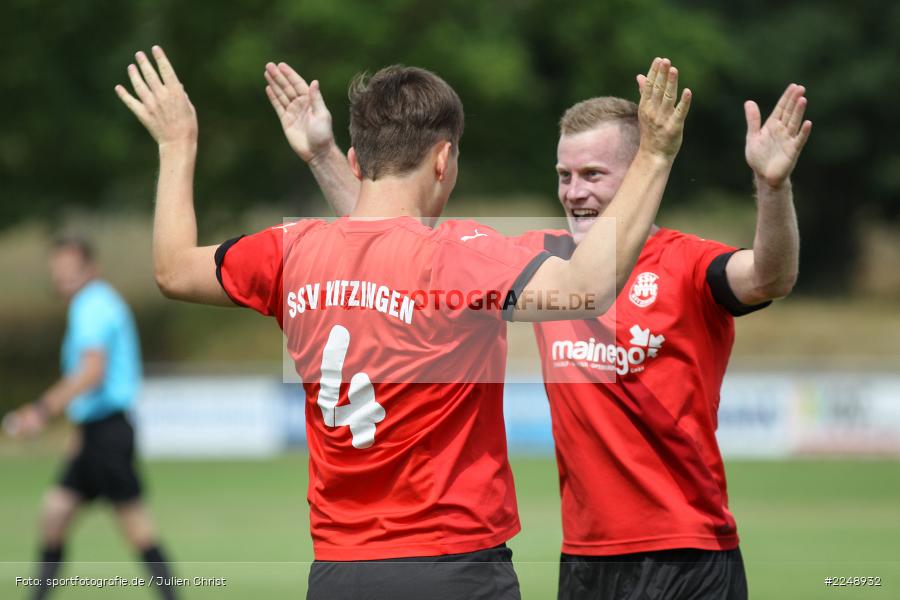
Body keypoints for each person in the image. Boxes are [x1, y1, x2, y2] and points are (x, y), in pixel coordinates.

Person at [114, 46, 690, 600]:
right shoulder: (460, 254)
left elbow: (172, 268)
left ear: (358, 161)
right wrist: (655, 156)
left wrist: (177, 141)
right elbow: (585, 289)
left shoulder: (289, 251)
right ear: (444, 159)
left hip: (338, 572)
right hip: (455, 568)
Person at [276, 63, 811, 599]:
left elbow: (771, 276)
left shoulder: (691, 265)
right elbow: (397, 248)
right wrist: (324, 154)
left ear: (638, 175)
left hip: (689, 553)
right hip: (583, 559)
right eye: (564, 175)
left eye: (594, 175)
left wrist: (772, 184)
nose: (575, 192)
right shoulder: (541, 258)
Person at [2, 237, 177, 600]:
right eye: (58, 273)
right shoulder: (94, 303)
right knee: (55, 513)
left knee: (138, 529)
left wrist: (40, 411)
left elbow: (91, 372)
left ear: (90, 271)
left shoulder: (91, 307)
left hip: (109, 433)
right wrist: (77, 435)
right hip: (95, 432)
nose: (63, 280)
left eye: (70, 272)